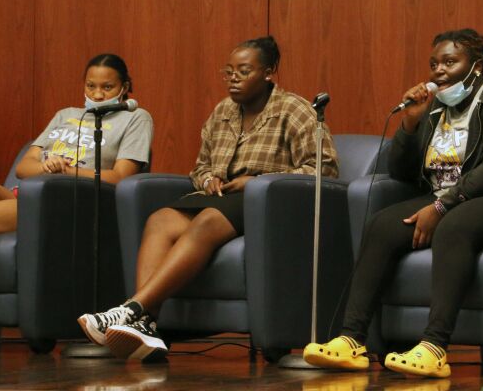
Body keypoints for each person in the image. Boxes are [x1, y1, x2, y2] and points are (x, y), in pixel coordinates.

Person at [302, 28, 483, 378]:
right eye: (434, 63)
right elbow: (402, 172)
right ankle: (352, 340)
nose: (438, 71)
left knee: (454, 226)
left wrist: (440, 207)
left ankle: (434, 347)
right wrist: (410, 122)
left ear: (477, 66)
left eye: (450, 62)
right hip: (449, 197)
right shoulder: (436, 110)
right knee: (382, 226)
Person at [77, 35, 339, 361]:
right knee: (160, 219)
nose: (233, 80)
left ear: (269, 72)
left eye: (243, 72)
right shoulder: (223, 111)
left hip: (269, 203)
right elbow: (200, 165)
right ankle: (145, 326)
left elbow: (324, 171)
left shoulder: (294, 110)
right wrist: (209, 178)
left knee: (207, 222)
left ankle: (132, 309)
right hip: (218, 195)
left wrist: (258, 181)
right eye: (228, 72)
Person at [0, 54, 153, 235]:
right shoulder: (65, 114)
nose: (98, 94)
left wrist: (67, 171)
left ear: (124, 87)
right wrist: (46, 167)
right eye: (90, 86)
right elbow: (23, 168)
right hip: (29, 192)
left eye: (107, 87)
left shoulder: (136, 117)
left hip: (72, 200)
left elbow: (121, 177)